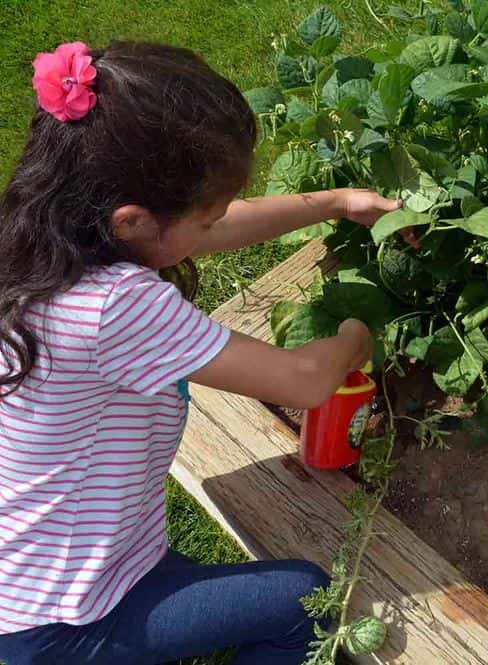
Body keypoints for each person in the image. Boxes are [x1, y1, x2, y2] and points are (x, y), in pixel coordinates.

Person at [0, 40, 401, 665]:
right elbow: (303, 381)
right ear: (132, 221)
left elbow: (209, 226)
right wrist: (357, 332)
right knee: (305, 600)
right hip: (54, 628)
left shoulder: (42, 241)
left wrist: (333, 203)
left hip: (39, 567)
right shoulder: (115, 307)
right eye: (206, 218)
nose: (215, 228)